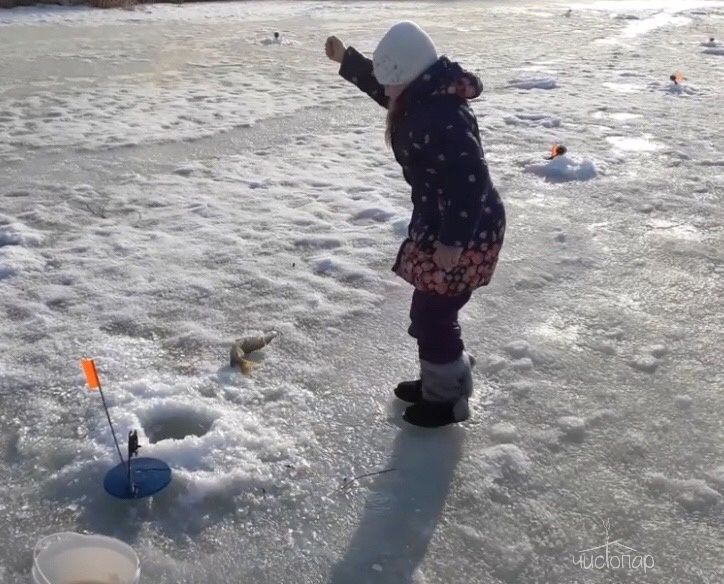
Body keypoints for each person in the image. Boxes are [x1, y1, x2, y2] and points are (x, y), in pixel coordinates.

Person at [325, 22, 506, 427]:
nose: (387, 92)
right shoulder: (419, 94)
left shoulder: (443, 116)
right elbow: (381, 86)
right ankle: (443, 377)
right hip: (446, 224)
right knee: (433, 310)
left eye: (393, 84)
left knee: (433, 314)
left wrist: (454, 243)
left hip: (467, 231)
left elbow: (469, 179)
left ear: (409, 77)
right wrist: (346, 59)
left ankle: (446, 399)